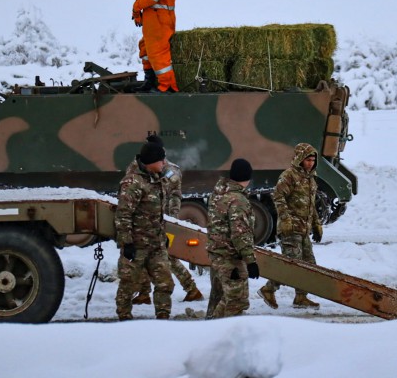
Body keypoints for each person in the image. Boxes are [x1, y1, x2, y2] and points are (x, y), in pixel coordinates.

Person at [131, 134, 203, 305]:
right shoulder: (155, 168)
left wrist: (170, 220)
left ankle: (191, 288)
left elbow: (171, 196)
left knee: (166, 256)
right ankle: (144, 292)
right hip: (152, 220)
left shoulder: (168, 170)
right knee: (144, 255)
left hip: (159, 221)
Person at [114, 142, 175, 320]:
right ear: (151, 161)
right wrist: (127, 243)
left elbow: (158, 214)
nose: (164, 162)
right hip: (136, 245)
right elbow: (123, 214)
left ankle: (163, 319)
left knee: (165, 283)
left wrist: (162, 237)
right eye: (161, 159)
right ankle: (124, 319)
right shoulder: (133, 183)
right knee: (128, 285)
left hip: (156, 245)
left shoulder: (157, 179)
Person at [258, 143, 323, 310]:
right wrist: (285, 218)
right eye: (307, 160)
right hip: (290, 228)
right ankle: (268, 289)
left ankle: (301, 297)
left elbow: (311, 205)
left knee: (309, 264)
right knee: (291, 265)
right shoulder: (289, 176)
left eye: (313, 160)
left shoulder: (310, 179)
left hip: (303, 229)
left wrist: (316, 224)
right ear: (300, 159)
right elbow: (278, 197)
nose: (310, 163)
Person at [205, 158, 260, 318]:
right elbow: (240, 234)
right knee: (237, 301)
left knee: (221, 297)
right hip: (230, 258)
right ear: (248, 178)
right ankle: (223, 333)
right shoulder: (238, 200)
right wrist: (250, 261)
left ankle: (211, 324)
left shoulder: (218, 194)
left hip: (217, 255)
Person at [132, 0, 180, 94]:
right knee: (146, 47)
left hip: (160, 20)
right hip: (153, 20)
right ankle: (150, 80)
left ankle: (167, 86)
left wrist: (136, 6)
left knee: (158, 52)